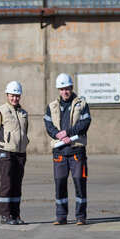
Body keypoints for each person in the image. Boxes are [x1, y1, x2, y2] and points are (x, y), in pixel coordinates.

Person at [44, 73, 91, 225]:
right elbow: (48, 125)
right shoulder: (51, 106)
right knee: (60, 185)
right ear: (59, 89)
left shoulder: (81, 104)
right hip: (59, 152)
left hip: (76, 150)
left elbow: (85, 124)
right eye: (62, 89)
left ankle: (80, 217)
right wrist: (58, 134)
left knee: (79, 184)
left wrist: (67, 133)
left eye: (67, 88)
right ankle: (61, 217)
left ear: (71, 88)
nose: (65, 91)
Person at [0, 81, 29, 225]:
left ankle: (15, 215)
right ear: (7, 95)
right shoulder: (0, 111)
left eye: (17, 96)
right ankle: (5, 215)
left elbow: (24, 132)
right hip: (5, 152)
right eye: (12, 95)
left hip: (20, 153)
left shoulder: (23, 113)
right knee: (7, 183)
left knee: (17, 184)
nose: (15, 98)